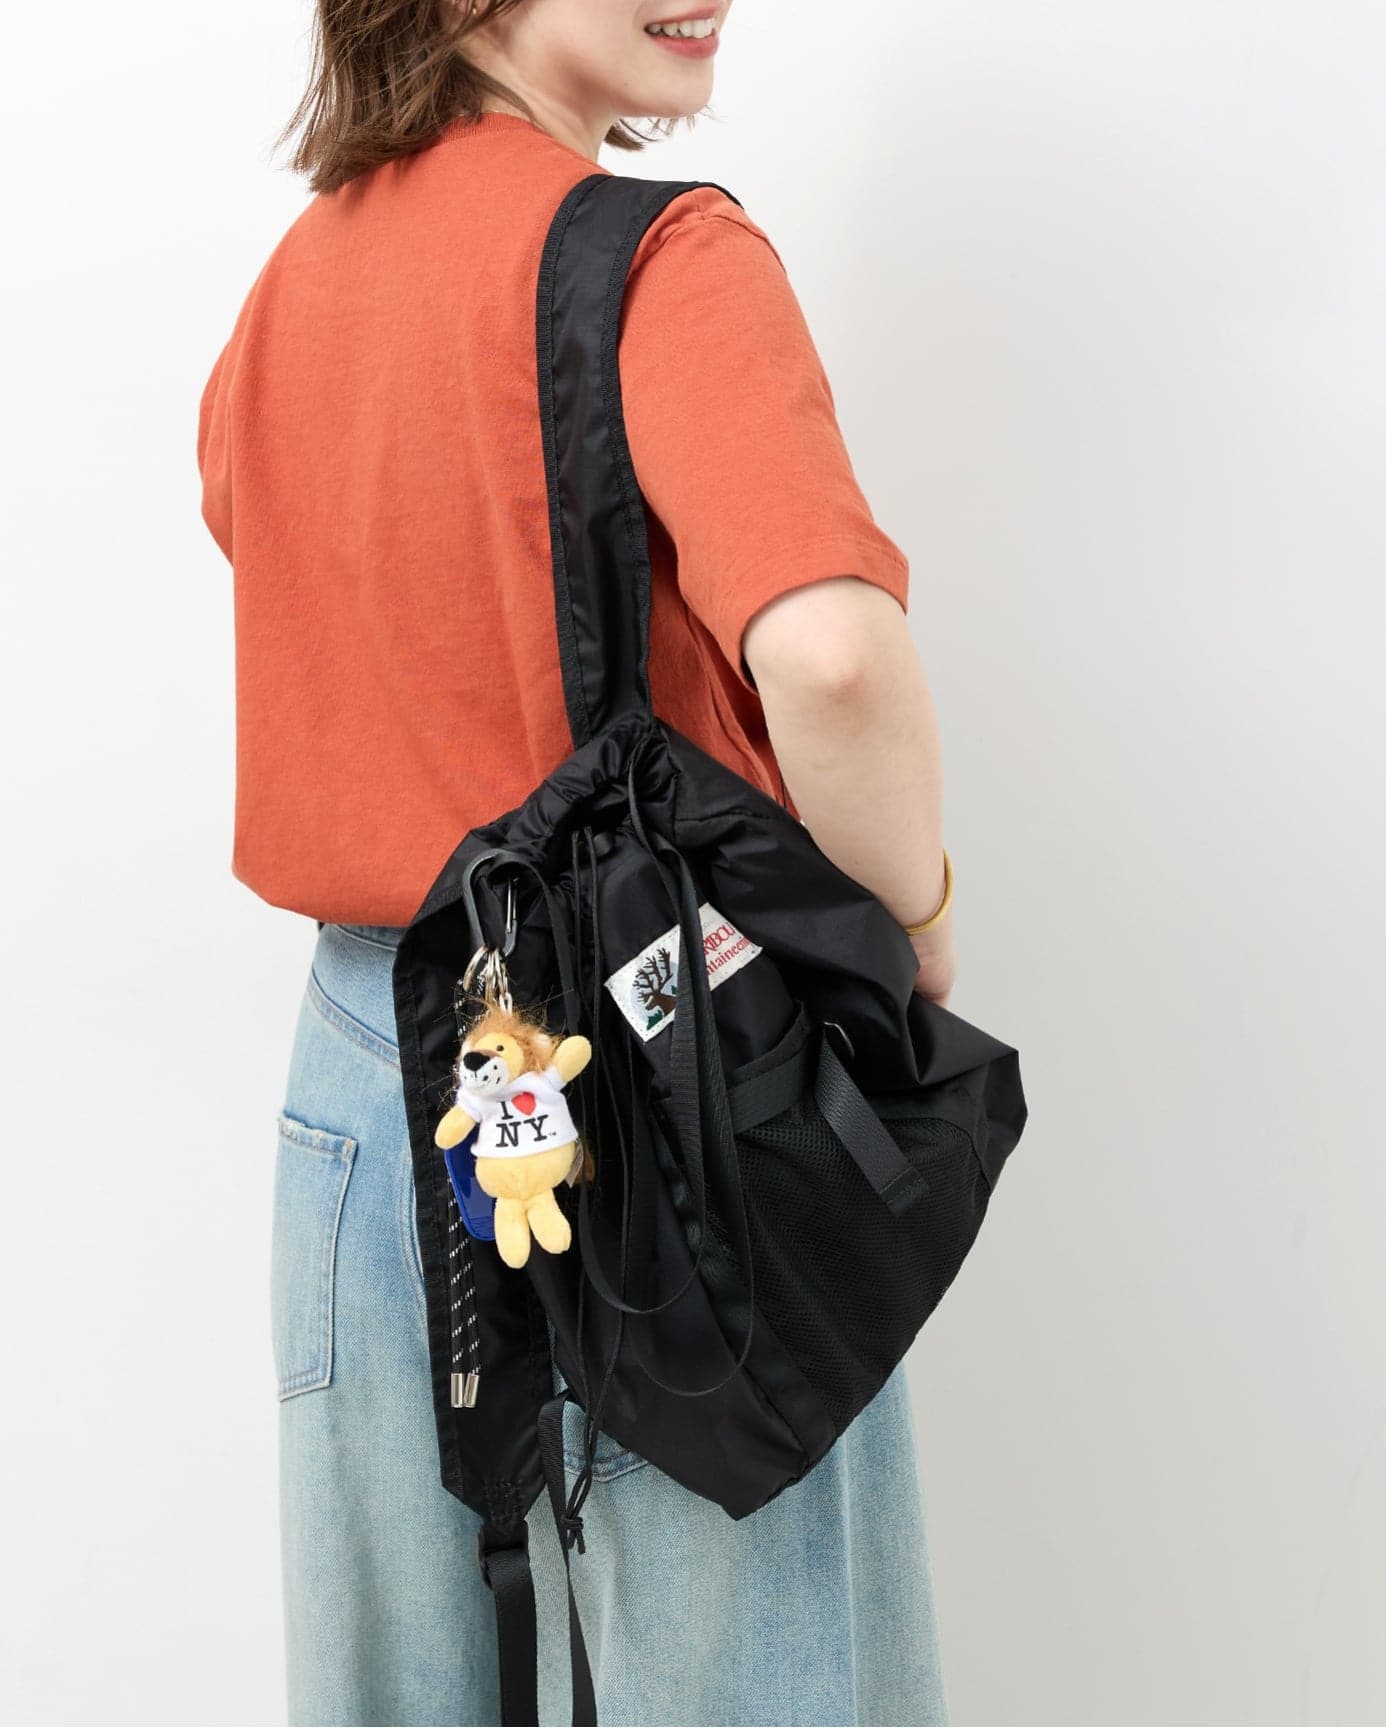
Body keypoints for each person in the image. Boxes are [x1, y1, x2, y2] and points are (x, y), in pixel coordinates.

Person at [197, 2, 959, 1722]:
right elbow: (834, 659)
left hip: (363, 1081)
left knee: (398, 1690)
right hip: (653, 1071)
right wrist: (911, 918)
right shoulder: (666, 263)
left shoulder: (293, 287)